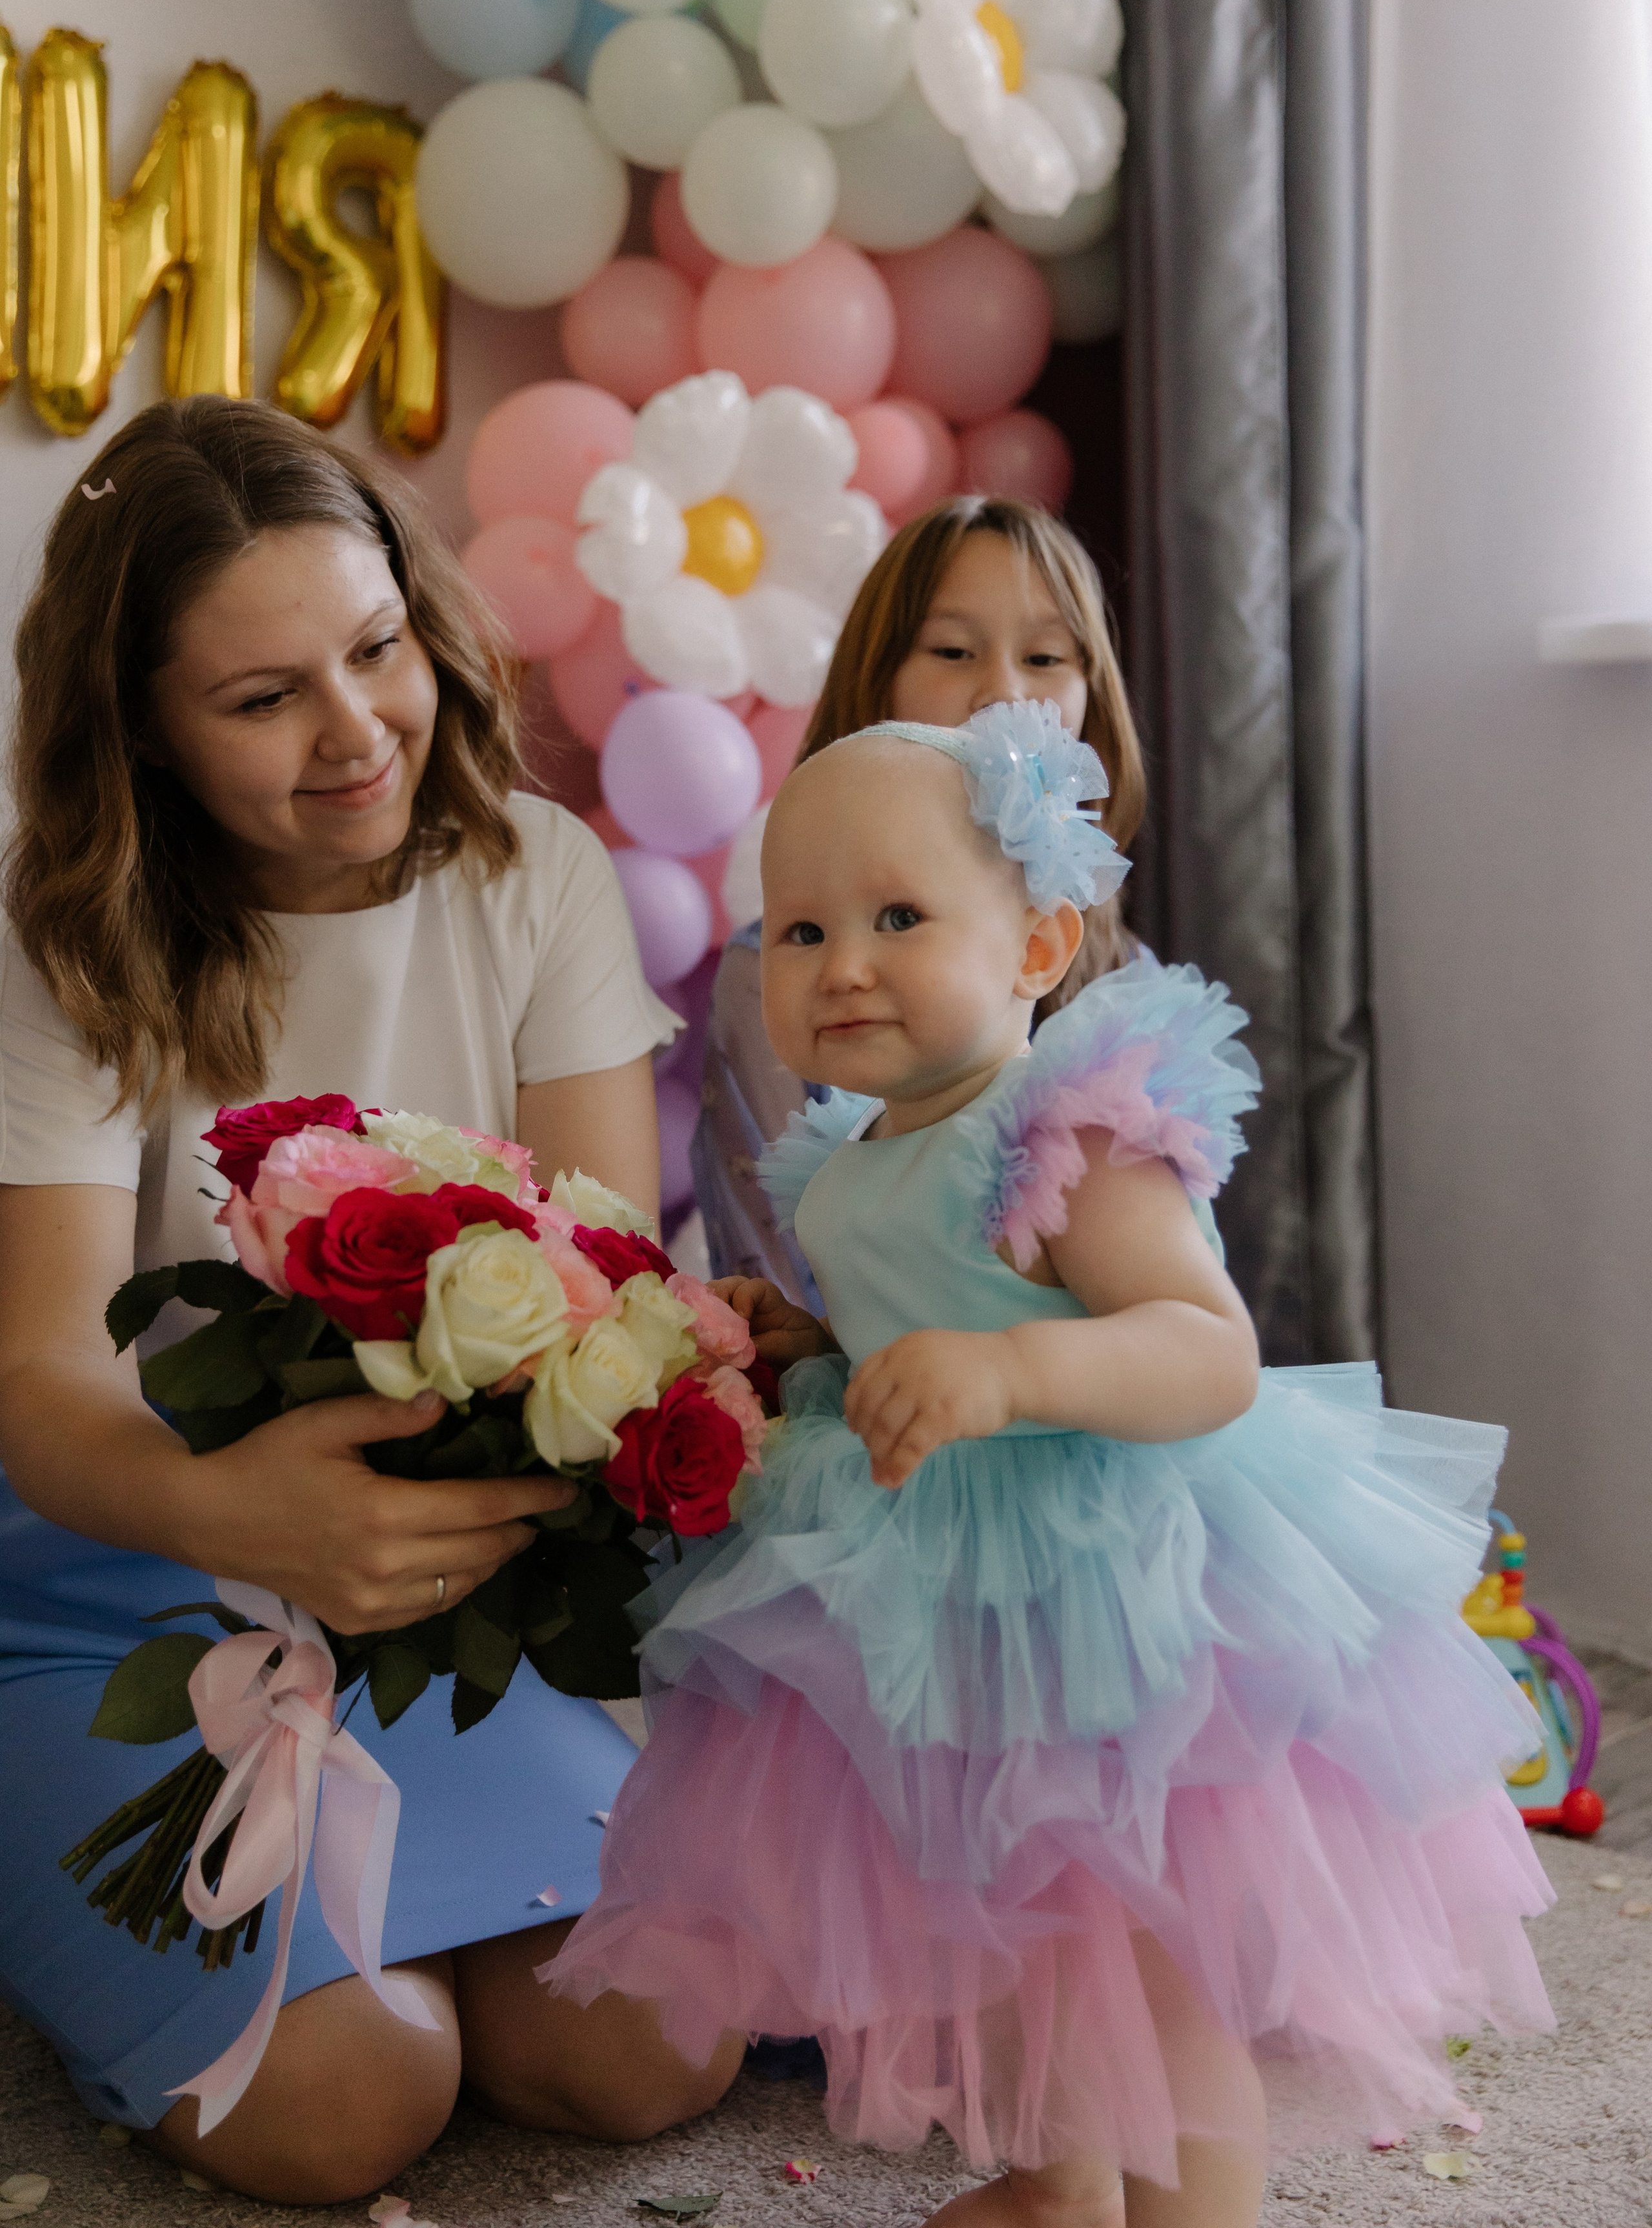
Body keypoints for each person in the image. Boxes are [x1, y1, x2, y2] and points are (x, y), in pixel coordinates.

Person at [548, 700, 1554, 2228]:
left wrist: (1011, 1367)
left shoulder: (1060, 1132)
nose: (844, 962)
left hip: (1114, 1585)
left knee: (1143, 1960)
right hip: (937, 1592)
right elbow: (914, 1337)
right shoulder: (849, 1159)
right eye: (802, 927)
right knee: (1009, 1928)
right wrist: (813, 1351)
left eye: (897, 915)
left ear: (1034, 947)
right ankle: (1057, 2177)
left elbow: (1201, 1347)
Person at [0, 400, 742, 2207]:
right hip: (117, 1586)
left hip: (435, 1586)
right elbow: (36, 1374)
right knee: (350, 2101)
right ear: (149, 738)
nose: (358, 735)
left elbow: (602, 1297)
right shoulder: (68, 937)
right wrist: (230, 1511)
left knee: (646, 2047)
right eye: (262, 702)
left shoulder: (531, 873)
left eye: (379, 649)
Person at [692, 496, 1145, 1306]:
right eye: (951, 650)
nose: (1002, 693)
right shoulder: (781, 976)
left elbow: (1171, 1313)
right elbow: (785, 1273)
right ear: (879, 680)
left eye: (1045, 659)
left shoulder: (1128, 980)